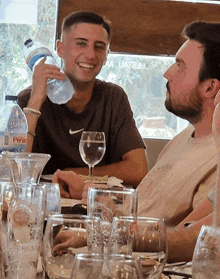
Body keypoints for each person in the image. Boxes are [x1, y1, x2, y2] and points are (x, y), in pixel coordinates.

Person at [53, 21, 220, 263]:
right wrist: (101, 200)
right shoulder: (183, 138)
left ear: (211, 87)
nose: (167, 73)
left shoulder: (214, 156)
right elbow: (147, 216)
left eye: (180, 67)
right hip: (116, 248)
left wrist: (100, 236)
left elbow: (192, 240)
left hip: (138, 269)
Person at [18, 11, 147, 187]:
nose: (90, 55)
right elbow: (14, 171)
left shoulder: (113, 97)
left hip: (96, 207)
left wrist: (71, 175)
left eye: (99, 46)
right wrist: (35, 102)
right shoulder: (28, 100)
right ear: (60, 49)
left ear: (107, 54)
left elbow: (138, 169)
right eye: (81, 44)